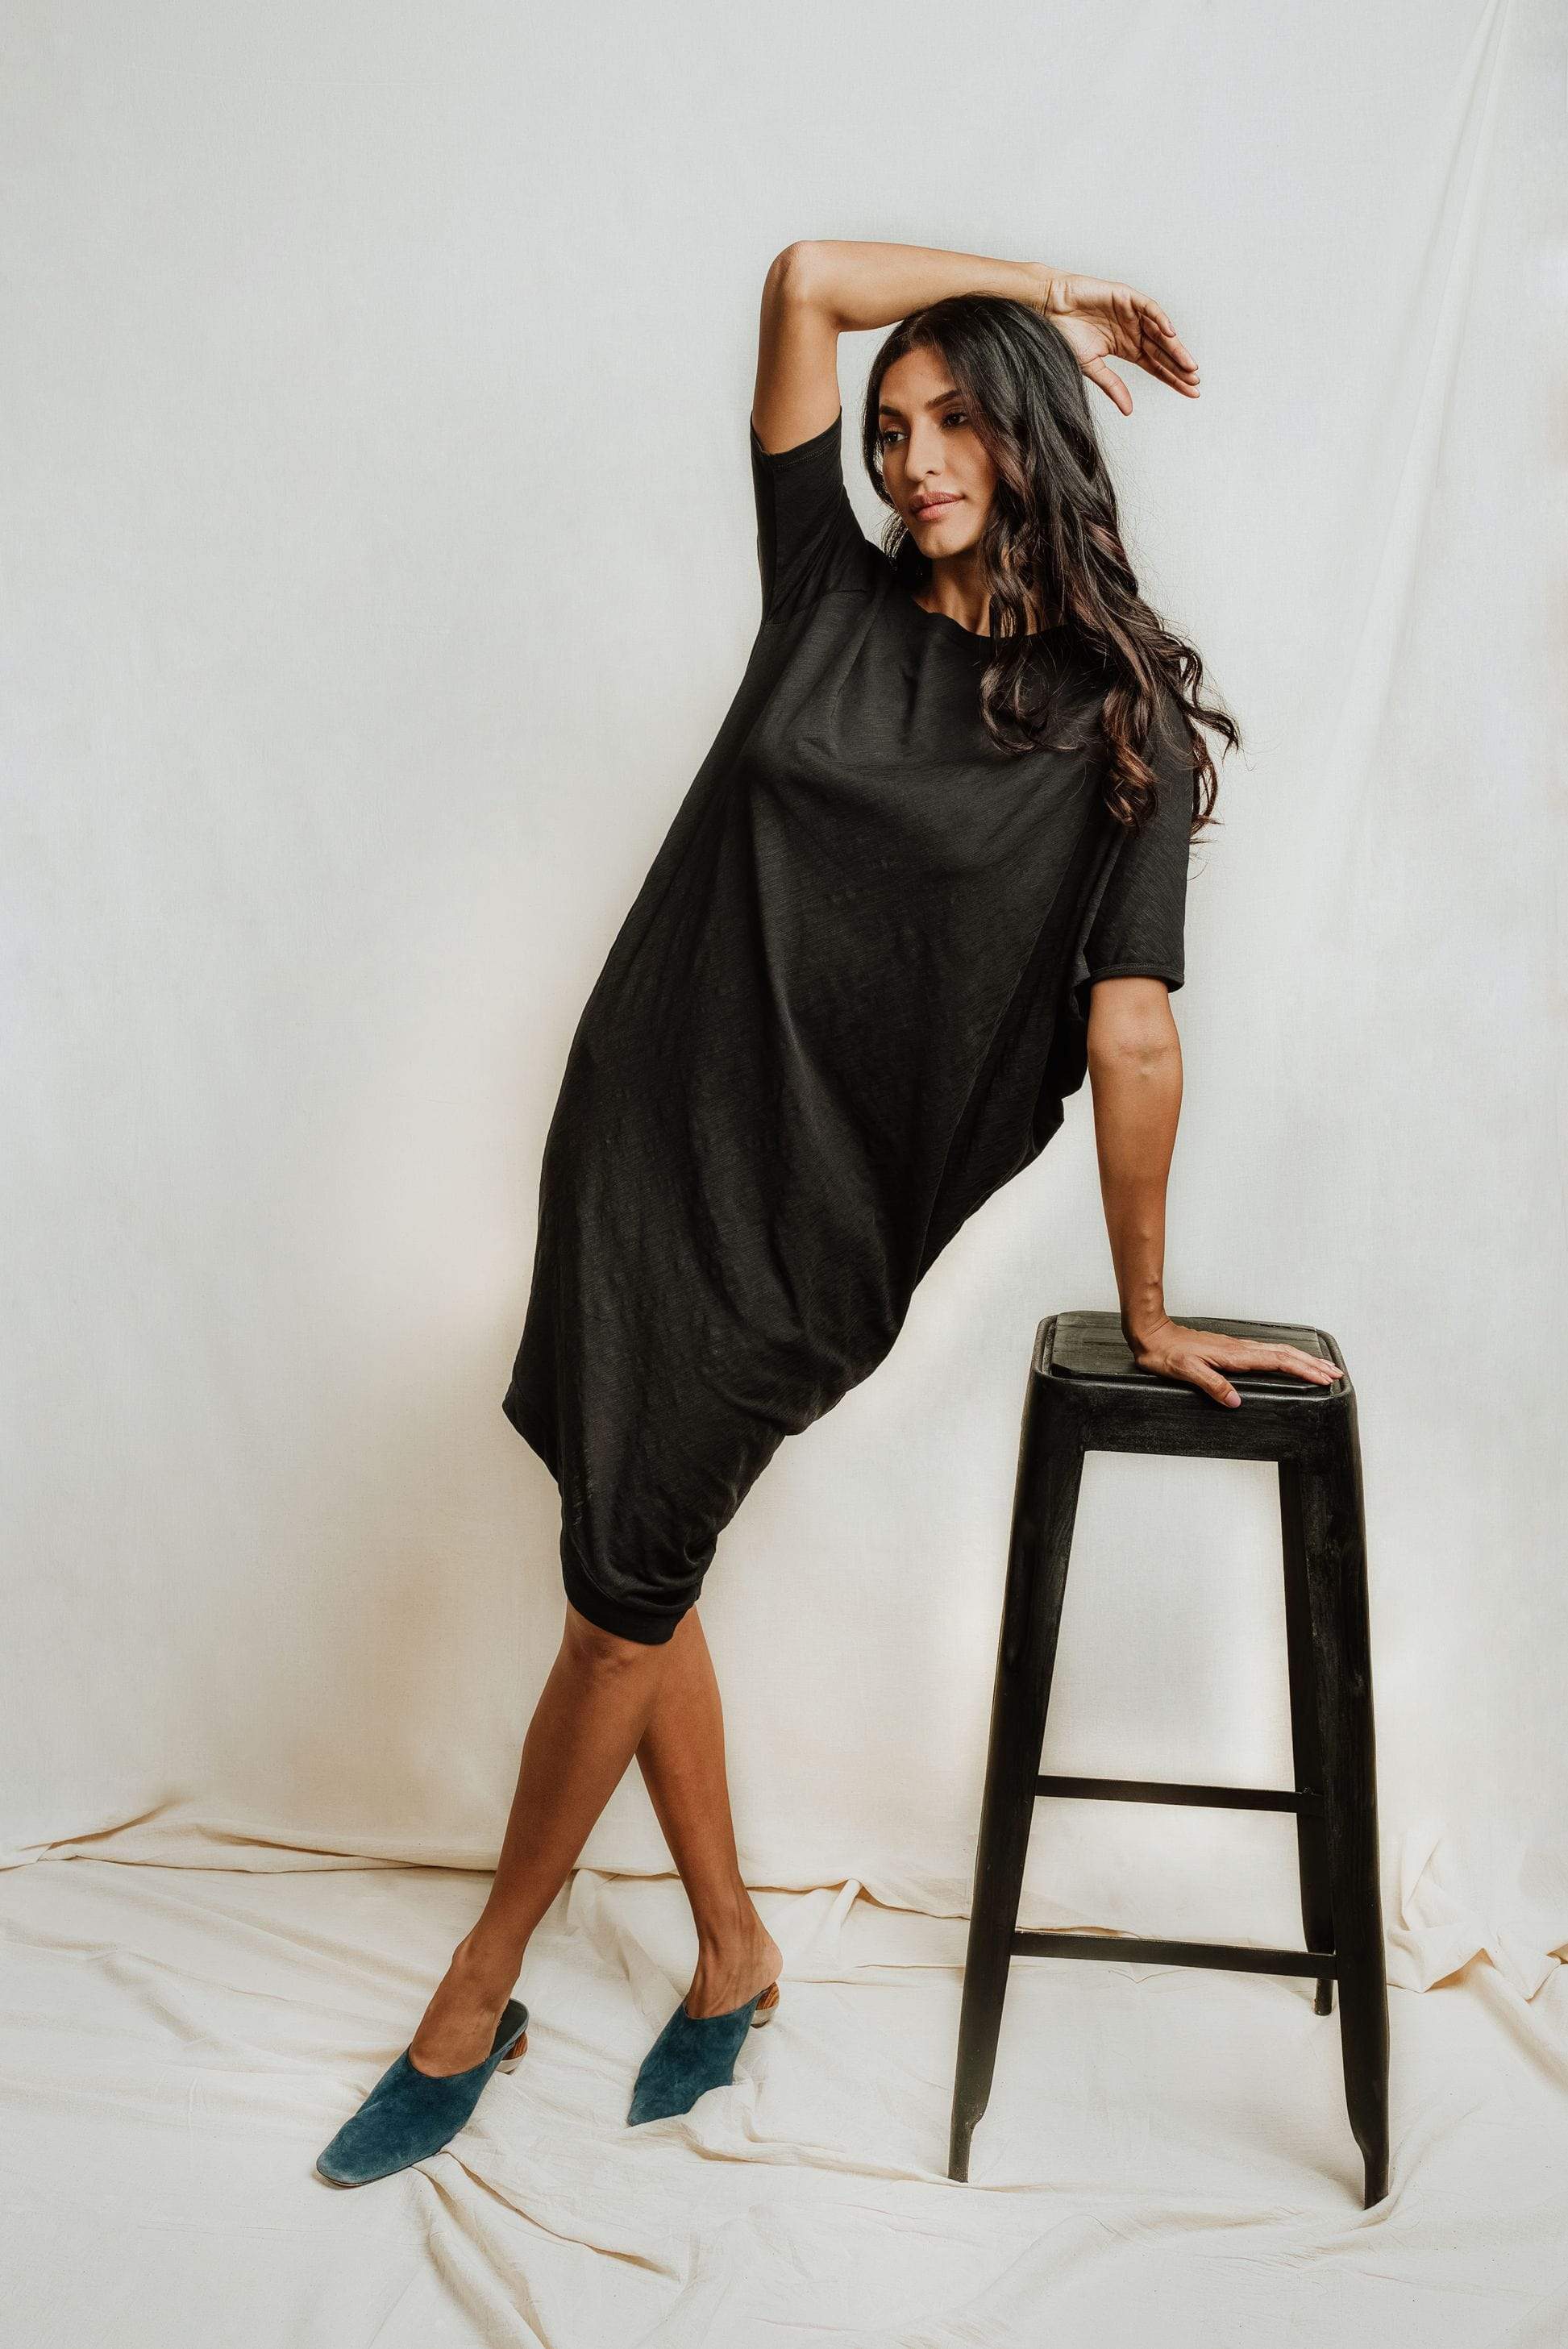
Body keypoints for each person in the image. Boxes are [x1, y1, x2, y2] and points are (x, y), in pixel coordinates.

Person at [314, 239, 1345, 2187]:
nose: (912, 455)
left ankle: (480, 1977)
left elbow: (1131, 1031)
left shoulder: (1123, 720)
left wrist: (1147, 1303)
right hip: (642, 1127)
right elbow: (805, 281)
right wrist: (1052, 295)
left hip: (816, 1225)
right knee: (635, 1557)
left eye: (956, 417)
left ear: (1029, 435)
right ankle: (728, 1954)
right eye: (891, 428)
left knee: (624, 1579)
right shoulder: (827, 596)